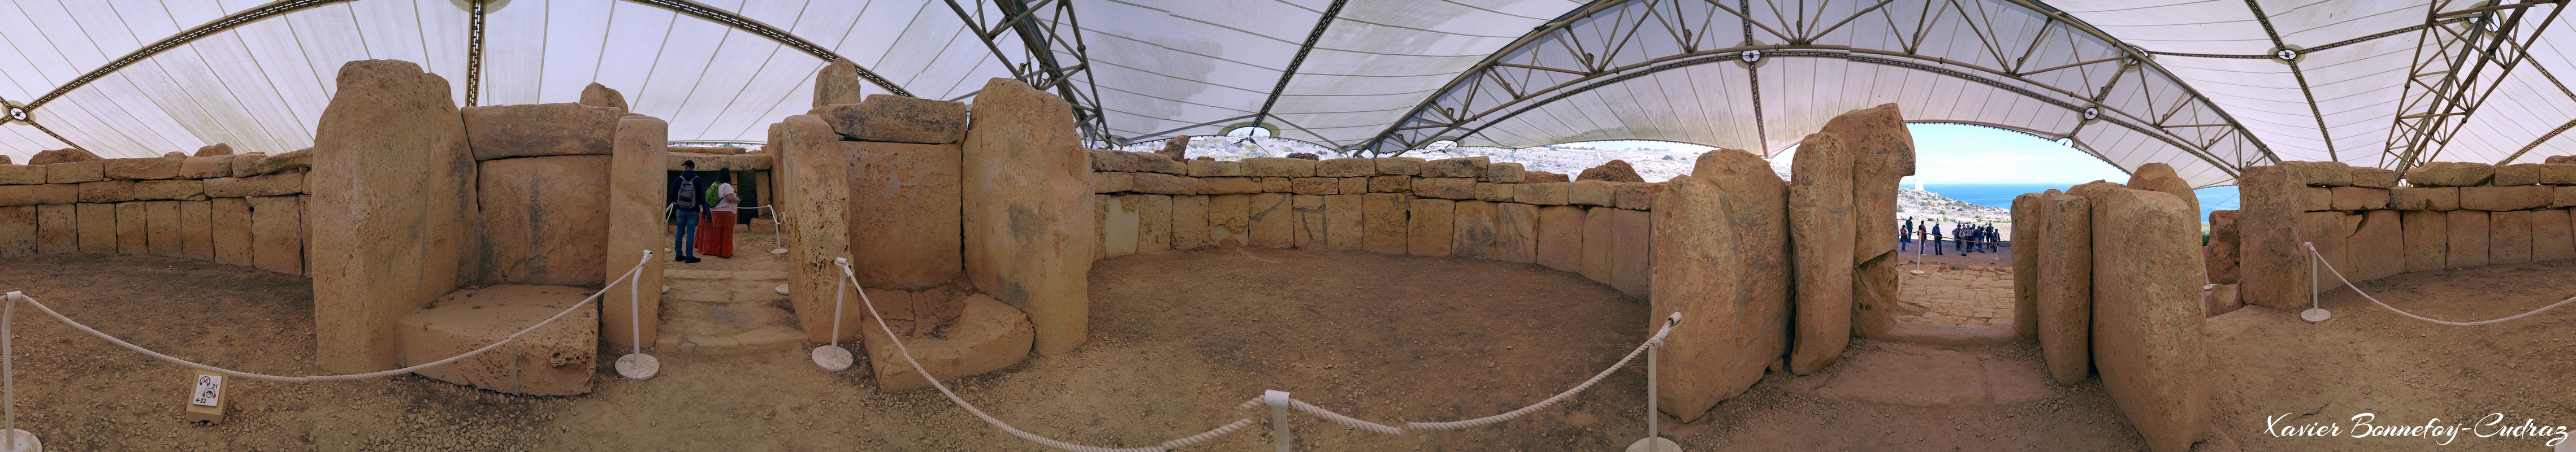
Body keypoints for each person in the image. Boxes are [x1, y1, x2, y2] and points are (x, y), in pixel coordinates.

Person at [697, 167, 740, 258]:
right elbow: (730, 198)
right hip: (726, 212)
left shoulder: (715, 184)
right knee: (726, 232)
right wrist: (737, 200)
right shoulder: (727, 186)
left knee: (719, 232)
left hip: (715, 211)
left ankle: (718, 251)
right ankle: (725, 252)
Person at [671, 160, 704, 263]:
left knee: (680, 233)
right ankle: (689, 257)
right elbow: (702, 197)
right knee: (690, 233)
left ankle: (678, 256)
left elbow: (671, 195)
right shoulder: (698, 180)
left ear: (685, 167)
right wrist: (705, 212)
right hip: (693, 211)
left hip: (680, 210)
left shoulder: (679, 179)